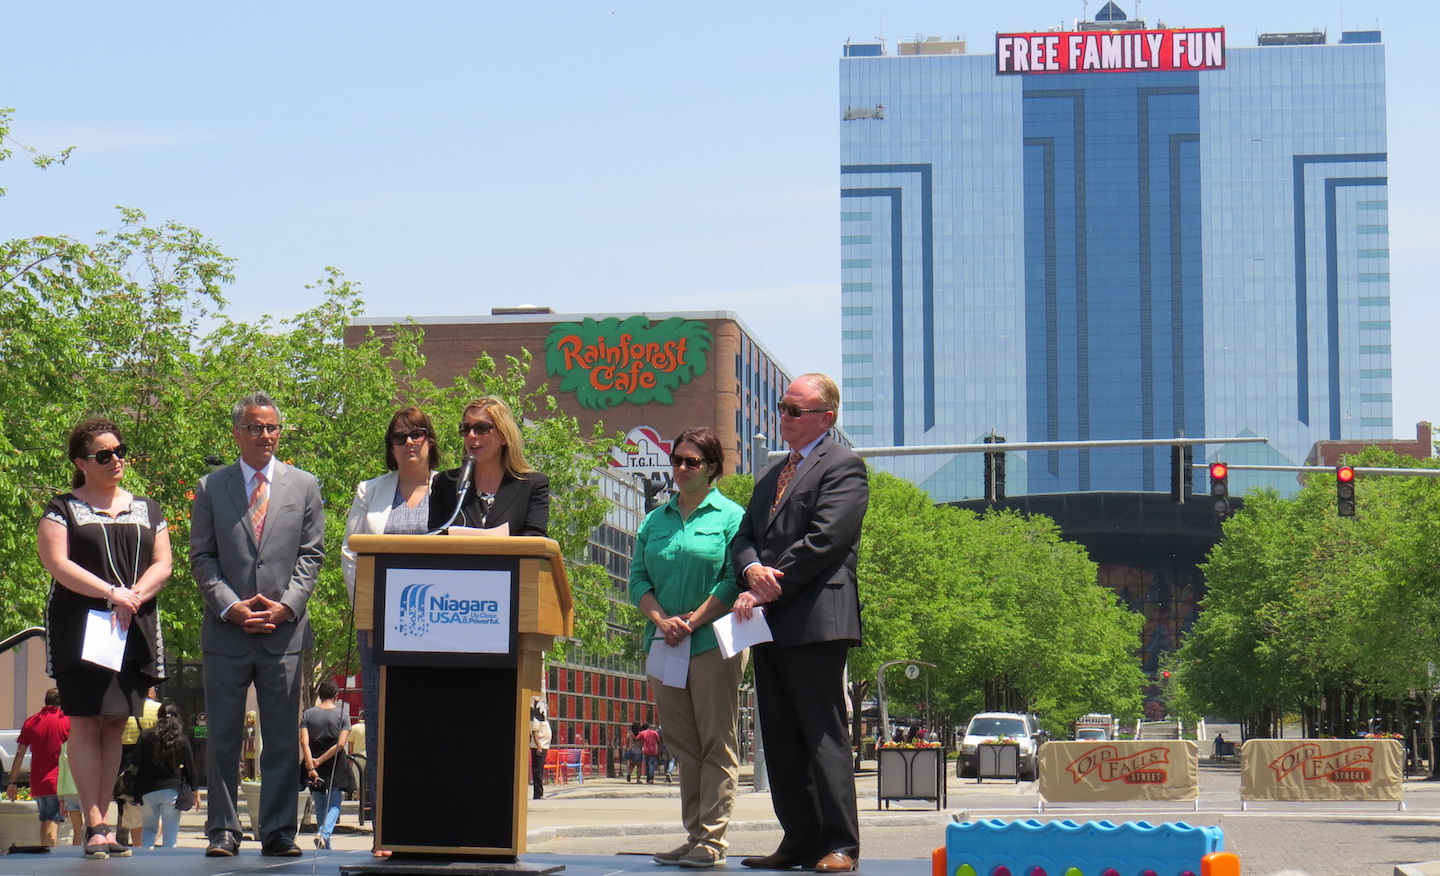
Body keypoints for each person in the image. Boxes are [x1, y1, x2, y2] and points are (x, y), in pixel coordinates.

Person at [731, 373, 868, 873]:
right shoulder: (770, 474)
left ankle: (840, 845)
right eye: (782, 407)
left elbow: (827, 539)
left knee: (821, 733)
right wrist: (749, 569)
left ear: (825, 418)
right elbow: (743, 536)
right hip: (765, 620)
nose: (782, 416)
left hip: (815, 619)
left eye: (794, 410)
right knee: (781, 735)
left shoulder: (844, 466)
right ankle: (800, 839)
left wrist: (771, 581)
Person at [191, 392, 324, 858]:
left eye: (271, 427)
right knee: (224, 738)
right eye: (254, 427)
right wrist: (230, 606)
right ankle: (223, 832)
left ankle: (279, 831)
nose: (265, 435)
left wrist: (286, 606)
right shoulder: (211, 487)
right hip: (227, 632)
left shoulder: (304, 485)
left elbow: (311, 556)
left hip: (284, 634)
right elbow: (202, 558)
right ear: (237, 433)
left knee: (283, 740)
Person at [37, 417, 172, 859]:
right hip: (82, 628)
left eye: (120, 450)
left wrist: (132, 597)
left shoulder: (147, 508)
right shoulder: (62, 508)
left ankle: (106, 823)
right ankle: (93, 824)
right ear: (81, 462)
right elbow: (58, 563)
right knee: (88, 720)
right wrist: (110, 592)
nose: (117, 459)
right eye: (104, 454)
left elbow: (162, 564)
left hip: (130, 626)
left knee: (115, 722)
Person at [629, 427, 746, 868]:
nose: (680, 468)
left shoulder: (731, 516)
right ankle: (695, 835)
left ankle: (712, 842)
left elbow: (734, 579)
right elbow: (638, 579)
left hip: (712, 643)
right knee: (683, 745)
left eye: (691, 462)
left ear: (712, 468)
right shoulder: (653, 521)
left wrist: (693, 621)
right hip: (664, 644)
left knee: (717, 743)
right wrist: (662, 620)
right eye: (676, 460)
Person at [340, 406, 440, 854]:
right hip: (380, 627)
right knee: (381, 725)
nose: (410, 443)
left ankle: (434, 820)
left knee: (431, 722)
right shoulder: (370, 491)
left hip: (441, 627)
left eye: (418, 434)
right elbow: (351, 554)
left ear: (431, 441)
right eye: (400, 437)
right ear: (391, 446)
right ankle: (385, 825)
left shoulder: (454, 488)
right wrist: (368, 612)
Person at [427, 396, 549, 537]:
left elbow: (535, 543)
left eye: (481, 428)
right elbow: (434, 541)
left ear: (504, 436)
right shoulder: (445, 483)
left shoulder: (532, 485)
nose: (472, 435)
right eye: (465, 428)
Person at [6, 689, 70, 848]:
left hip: (38, 780)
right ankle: (51, 856)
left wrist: (12, 781)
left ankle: (44, 851)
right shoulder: (67, 721)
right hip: (58, 780)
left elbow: (20, 753)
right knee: (54, 821)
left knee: (44, 819)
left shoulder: (31, 722)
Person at [135, 701, 198, 849]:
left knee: (149, 829)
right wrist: (195, 792)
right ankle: (169, 865)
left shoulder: (145, 736)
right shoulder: (181, 739)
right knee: (170, 833)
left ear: (158, 717)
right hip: (172, 790)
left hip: (147, 790)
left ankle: (147, 863)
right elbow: (191, 768)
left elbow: (136, 761)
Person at [300, 680, 354, 850]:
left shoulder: (307, 715)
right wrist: (322, 759)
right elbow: (341, 744)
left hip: (313, 757)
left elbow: (303, 742)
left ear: (319, 695)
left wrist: (311, 765)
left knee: (320, 800)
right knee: (335, 801)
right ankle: (324, 834)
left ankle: (323, 838)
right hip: (335, 760)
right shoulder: (343, 715)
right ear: (336, 696)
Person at [117, 686, 161, 846]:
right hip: (153, 765)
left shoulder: (124, 710)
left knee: (134, 814)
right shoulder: (159, 709)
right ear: (149, 692)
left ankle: (138, 847)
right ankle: (148, 843)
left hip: (128, 769)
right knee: (156, 810)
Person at [529, 699, 551, 800]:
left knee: (540, 770)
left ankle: (539, 793)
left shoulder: (543, 719)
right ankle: (538, 794)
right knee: (537, 770)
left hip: (544, 745)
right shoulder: (536, 718)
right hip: (539, 746)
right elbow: (534, 732)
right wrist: (538, 746)